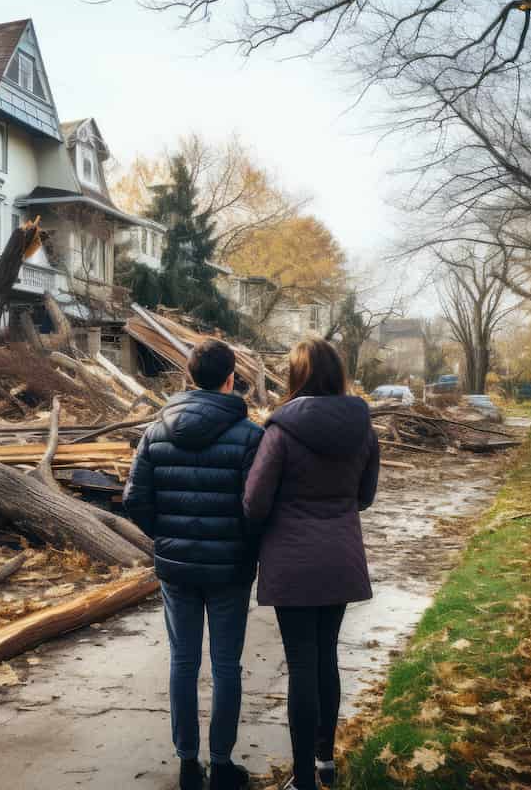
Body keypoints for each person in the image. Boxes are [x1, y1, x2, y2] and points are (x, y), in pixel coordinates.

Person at [124, 339, 264, 790]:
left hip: (177, 568)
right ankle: (221, 764)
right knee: (226, 666)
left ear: (188, 378)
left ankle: (187, 763)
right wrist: (244, 544)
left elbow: (134, 500)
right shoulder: (250, 435)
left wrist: (165, 538)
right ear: (230, 380)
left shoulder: (155, 431)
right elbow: (257, 506)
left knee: (182, 662)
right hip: (229, 569)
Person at [242, 338, 379, 790]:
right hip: (340, 557)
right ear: (337, 374)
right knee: (326, 657)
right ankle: (325, 763)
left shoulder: (280, 431)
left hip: (293, 561)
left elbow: (256, 503)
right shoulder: (363, 427)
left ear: (296, 376)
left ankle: (301, 779)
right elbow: (365, 496)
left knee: (301, 664)